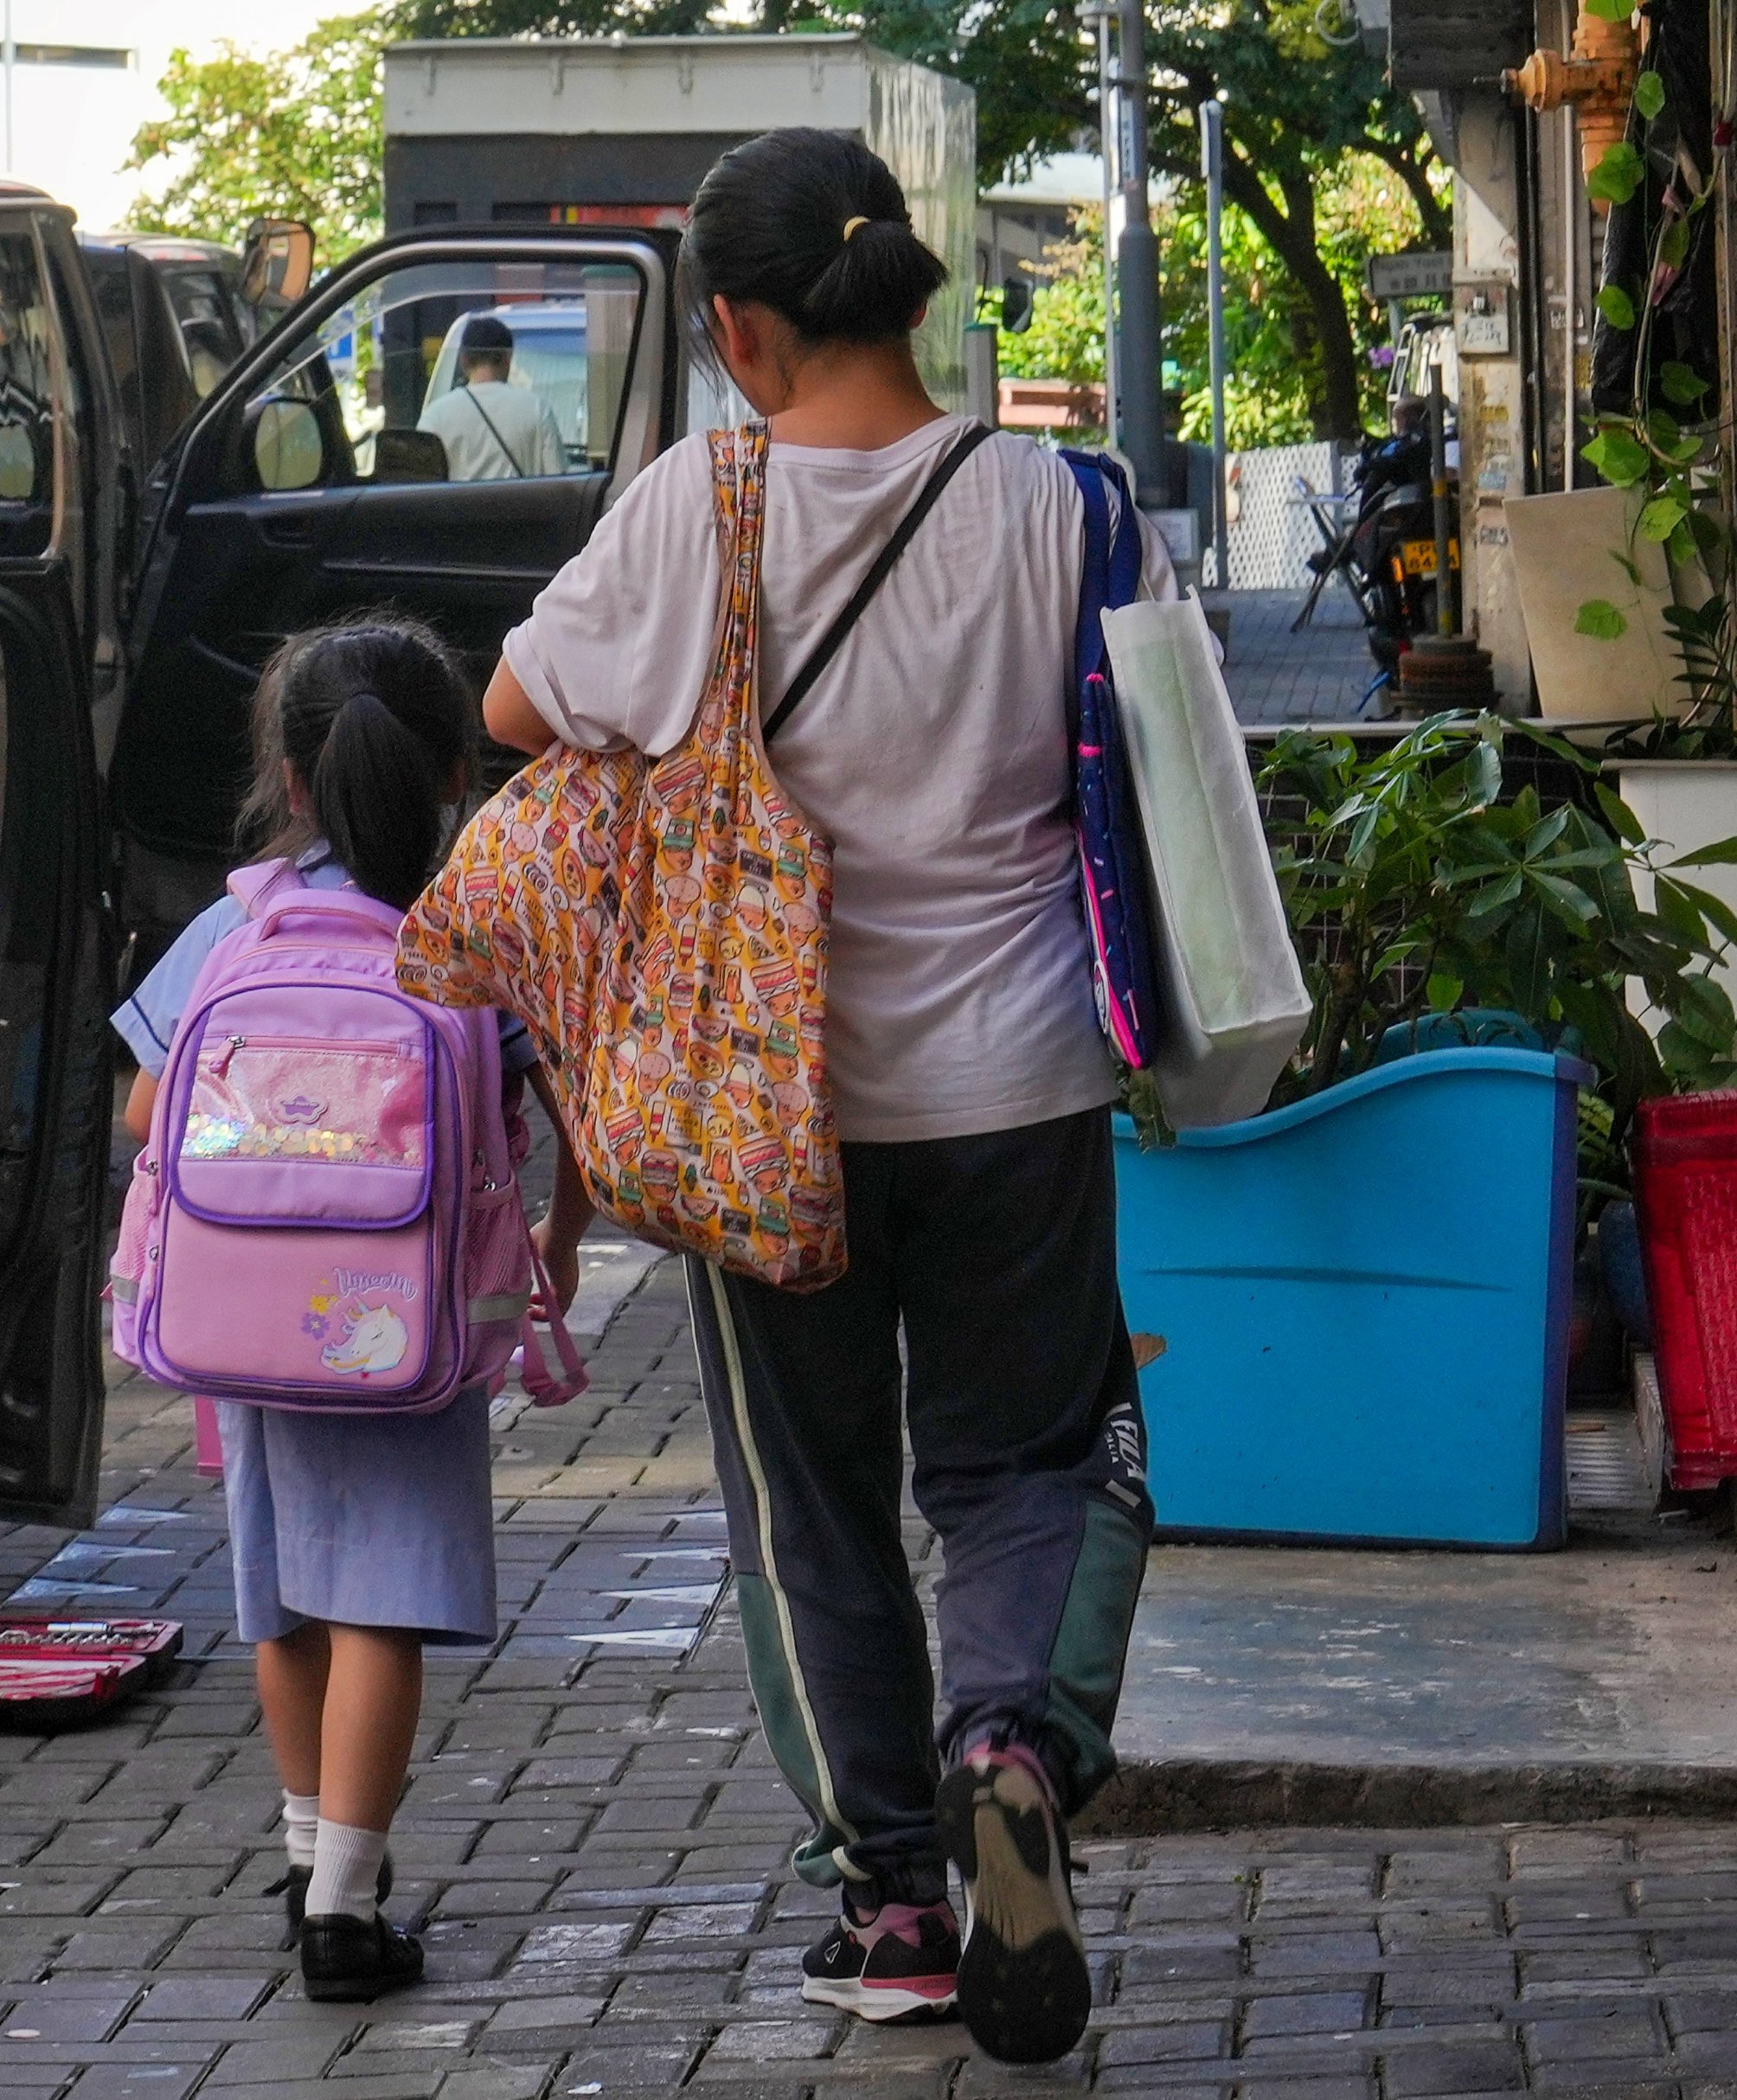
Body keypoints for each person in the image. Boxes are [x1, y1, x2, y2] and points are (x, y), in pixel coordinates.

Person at [479, 127, 1171, 2067]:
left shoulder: (694, 501)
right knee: (1030, 1459)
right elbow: (1168, 765)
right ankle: (1006, 1740)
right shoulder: (1067, 499)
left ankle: (890, 1893)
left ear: (737, 329)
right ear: (916, 286)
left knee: (817, 1499)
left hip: (757, 1099)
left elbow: (513, 717)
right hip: (1020, 1079)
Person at [114, 618, 591, 2006]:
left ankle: (304, 1853)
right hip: (405, 1323)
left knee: (283, 1603)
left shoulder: (236, 920)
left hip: (240, 1327)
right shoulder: (469, 923)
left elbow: (149, 1108)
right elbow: (564, 1114)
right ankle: (344, 1907)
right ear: (455, 772)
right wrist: (555, 1239)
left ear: (287, 773)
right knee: (380, 1600)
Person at [415, 316, 568, 482]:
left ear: (463, 360)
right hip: (523, 507)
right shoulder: (538, 409)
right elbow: (559, 482)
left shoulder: (435, 415)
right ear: (507, 359)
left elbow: (421, 485)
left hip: (459, 508)